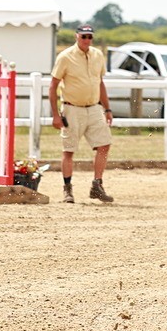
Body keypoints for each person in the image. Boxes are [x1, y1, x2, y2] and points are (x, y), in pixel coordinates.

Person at [49, 25, 114, 203]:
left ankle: (97, 185)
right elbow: (53, 86)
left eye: (89, 37)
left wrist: (107, 109)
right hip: (72, 108)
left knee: (104, 144)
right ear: (76, 36)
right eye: (83, 36)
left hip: (94, 108)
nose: (86, 40)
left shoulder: (98, 55)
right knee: (69, 150)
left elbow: (100, 83)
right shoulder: (65, 56)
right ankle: (67, 189)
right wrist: (55, 114)